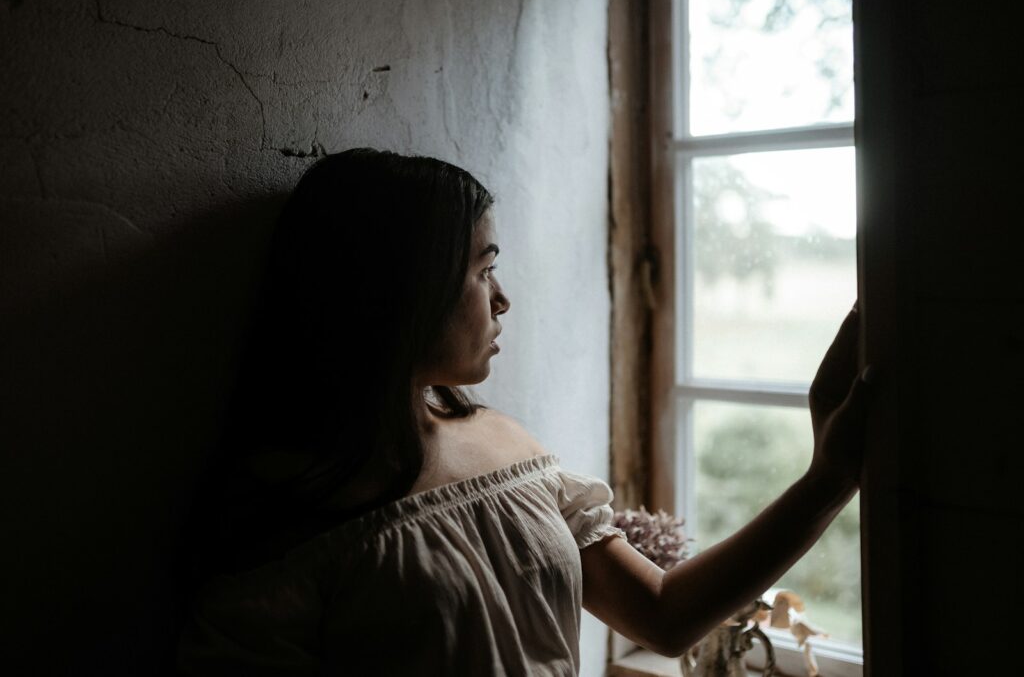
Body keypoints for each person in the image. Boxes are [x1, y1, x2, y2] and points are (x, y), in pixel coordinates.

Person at [176, 148, 874, 675]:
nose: (502, 298)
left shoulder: (504, 446)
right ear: (402, 292)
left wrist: (828, 479)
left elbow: (663, 615)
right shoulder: (286, 509)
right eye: (482, 271)